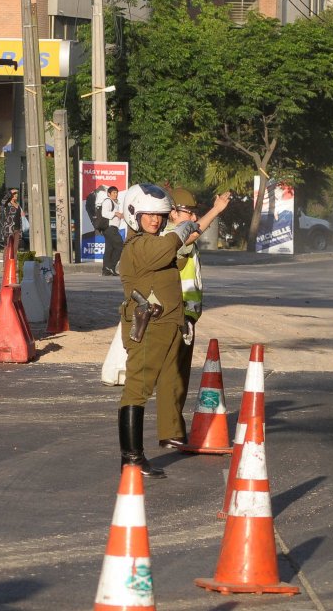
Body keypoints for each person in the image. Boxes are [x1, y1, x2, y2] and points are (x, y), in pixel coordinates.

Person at [116, 182, 199, 479]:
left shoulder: (154, 243)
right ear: (134, 215)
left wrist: (190, 226)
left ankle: (166, 435)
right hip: (148, 325)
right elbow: (169, 247)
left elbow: (179, 252)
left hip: (166, 324)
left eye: (160, 215)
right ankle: (132, 458)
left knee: (167, 381)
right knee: (137, 389)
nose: (155, 220)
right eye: (149, 214)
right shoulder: (140, 246)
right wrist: (183, 228)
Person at [159, 186, 232, 448]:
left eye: (194, 213)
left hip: (185, 316)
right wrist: (216, 211)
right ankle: (170, 432)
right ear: (173, 213)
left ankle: (173, 429)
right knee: (173, 375)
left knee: (179, 375)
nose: (192, 218)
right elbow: (188, 238)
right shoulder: (170, 236)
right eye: (188, 213)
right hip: (175, 316)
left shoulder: (176, 234)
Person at [100, 185, 124, 276]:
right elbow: (104, 213)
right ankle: (111, 266)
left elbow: (115, 215)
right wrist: (115, 213)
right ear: (109, 194)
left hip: (111, 228)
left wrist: (120, 215)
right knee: (120, 246)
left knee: (109, 249)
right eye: (114, 193)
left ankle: (106, 270)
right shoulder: (108, 201)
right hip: (110, 228)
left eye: (116, 192)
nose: (116, 194)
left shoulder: (115, 203)